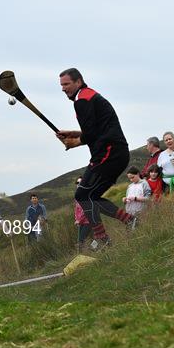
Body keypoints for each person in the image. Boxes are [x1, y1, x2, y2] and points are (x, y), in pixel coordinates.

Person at [56, 68, 135, 248]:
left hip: (108, 153)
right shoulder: (89, 96)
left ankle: (102, 238)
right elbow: (97, 129)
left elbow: (92, 133)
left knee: (82, 195)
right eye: (61, 85)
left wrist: (75, 142)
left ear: (78, 81)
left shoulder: (82, 100)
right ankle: (130, 222)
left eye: (66, 84)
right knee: (91, 196)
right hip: (117, 153)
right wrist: (75, 133)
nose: (63, 88)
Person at [73, 177, 92, 252]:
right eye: (77, 183)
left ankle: (98, 249)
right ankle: (95, 250)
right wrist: (76, 219)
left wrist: (79, 220)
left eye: (80, 183)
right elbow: (77, 209)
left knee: (81, 239)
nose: (78, 184)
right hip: (81, 222)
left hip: (88, 220)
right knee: (82, 239)